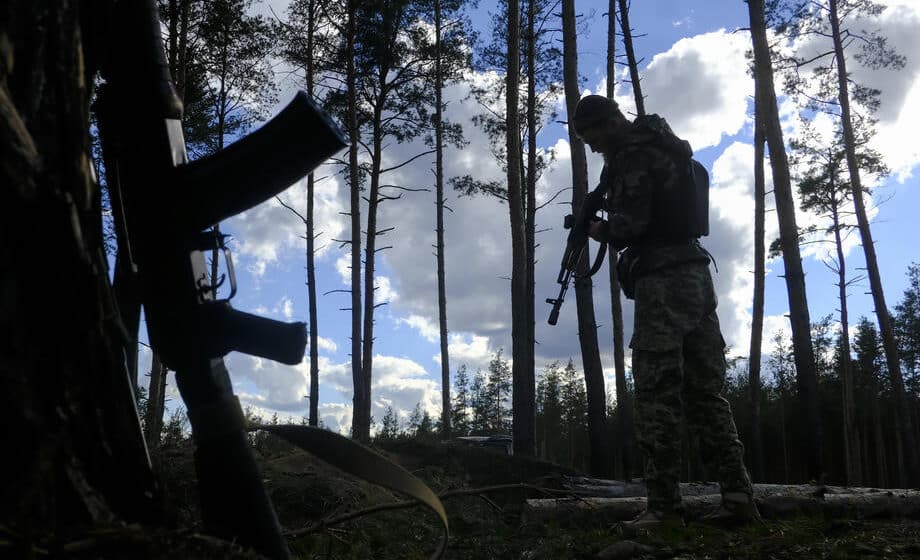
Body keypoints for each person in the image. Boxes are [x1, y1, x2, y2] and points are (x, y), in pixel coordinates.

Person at [570, 94, 758, 529]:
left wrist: (598, 228)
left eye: (592, 135)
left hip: (661, 283)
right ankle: (738, 497)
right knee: (708, 395)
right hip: (696, 276)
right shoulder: (669, 147)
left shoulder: (632, 155)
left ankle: (664, 509)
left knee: (657, 397)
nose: (592, 145)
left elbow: (630, 227)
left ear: (611, 122)